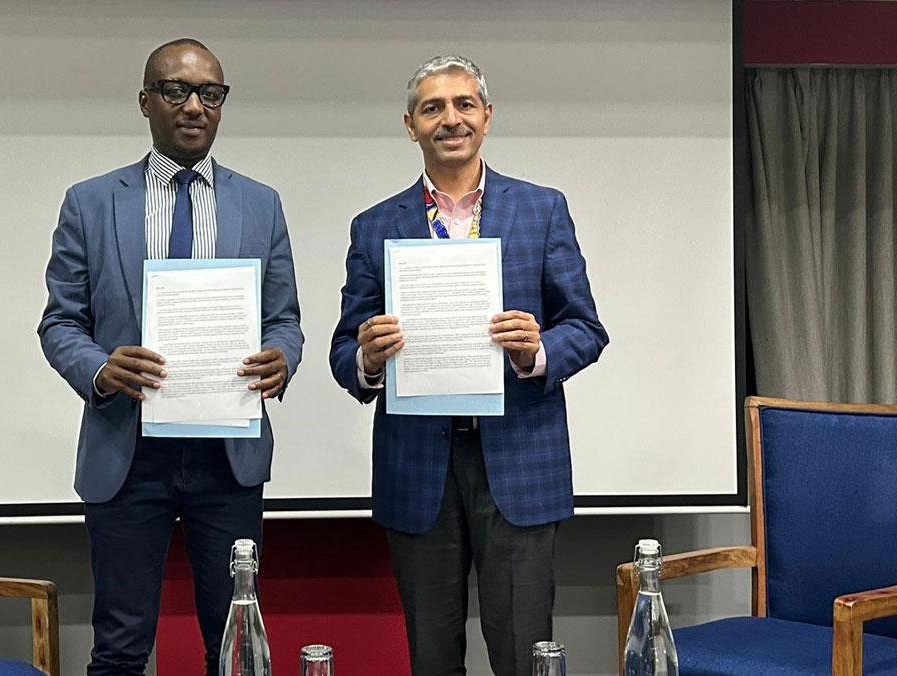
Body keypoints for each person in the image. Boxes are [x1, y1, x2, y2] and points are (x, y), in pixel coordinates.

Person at [329, 54, 608, 676]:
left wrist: (537, 352)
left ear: (486, 116)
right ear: (410, 125)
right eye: (433, 108)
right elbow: (342, 352)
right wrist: (369, 361)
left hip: (520, 460)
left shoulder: (542, 209)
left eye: (463, 105)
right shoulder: (375, 226)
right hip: (417, 466)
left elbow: (586, 329)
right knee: (431, 655)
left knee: (523, 652)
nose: (449, 119)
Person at [38, 38, 303, 676]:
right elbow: (60, 322)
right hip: (128, 456)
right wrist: (100, 369)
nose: (194, 106)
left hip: (227, 454)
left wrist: (281, 359)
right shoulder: (92, 201)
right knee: (123, 645)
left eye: (210, 94)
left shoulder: (259, 203)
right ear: (145, 101)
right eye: (176, 91)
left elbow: (285, 319)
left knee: (234, 644)